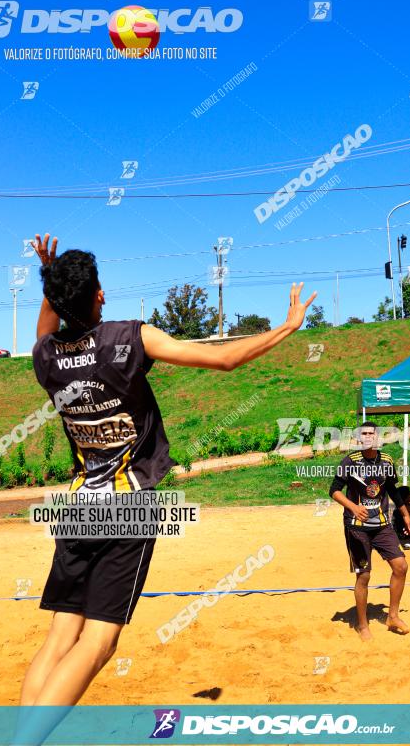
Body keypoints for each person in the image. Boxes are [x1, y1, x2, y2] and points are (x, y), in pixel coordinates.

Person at [21, 234, 316, 717]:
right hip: (126, 505)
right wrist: (287, 326)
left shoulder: (44, 359)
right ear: (95, 294)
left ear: (54, 300)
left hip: (78, 505)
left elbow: (46, 329)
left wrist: (51, 284)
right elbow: (224, 358)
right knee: (97, 643)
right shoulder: (128, 337)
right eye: (97, 287)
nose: (102, 292)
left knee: (59, 637)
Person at [329, 421, 410, 640]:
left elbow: (392, 490)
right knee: (364, 576)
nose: (368, 437)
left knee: (401, 566)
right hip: (357, 528)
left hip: (382, 524)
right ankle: (363, 625)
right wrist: (353, 507)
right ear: (359, 438)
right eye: (364, 434)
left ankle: (392, 616)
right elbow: (334, 490)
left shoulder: (386, 461)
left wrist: (405, 514)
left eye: (371, 433)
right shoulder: (350, 461)